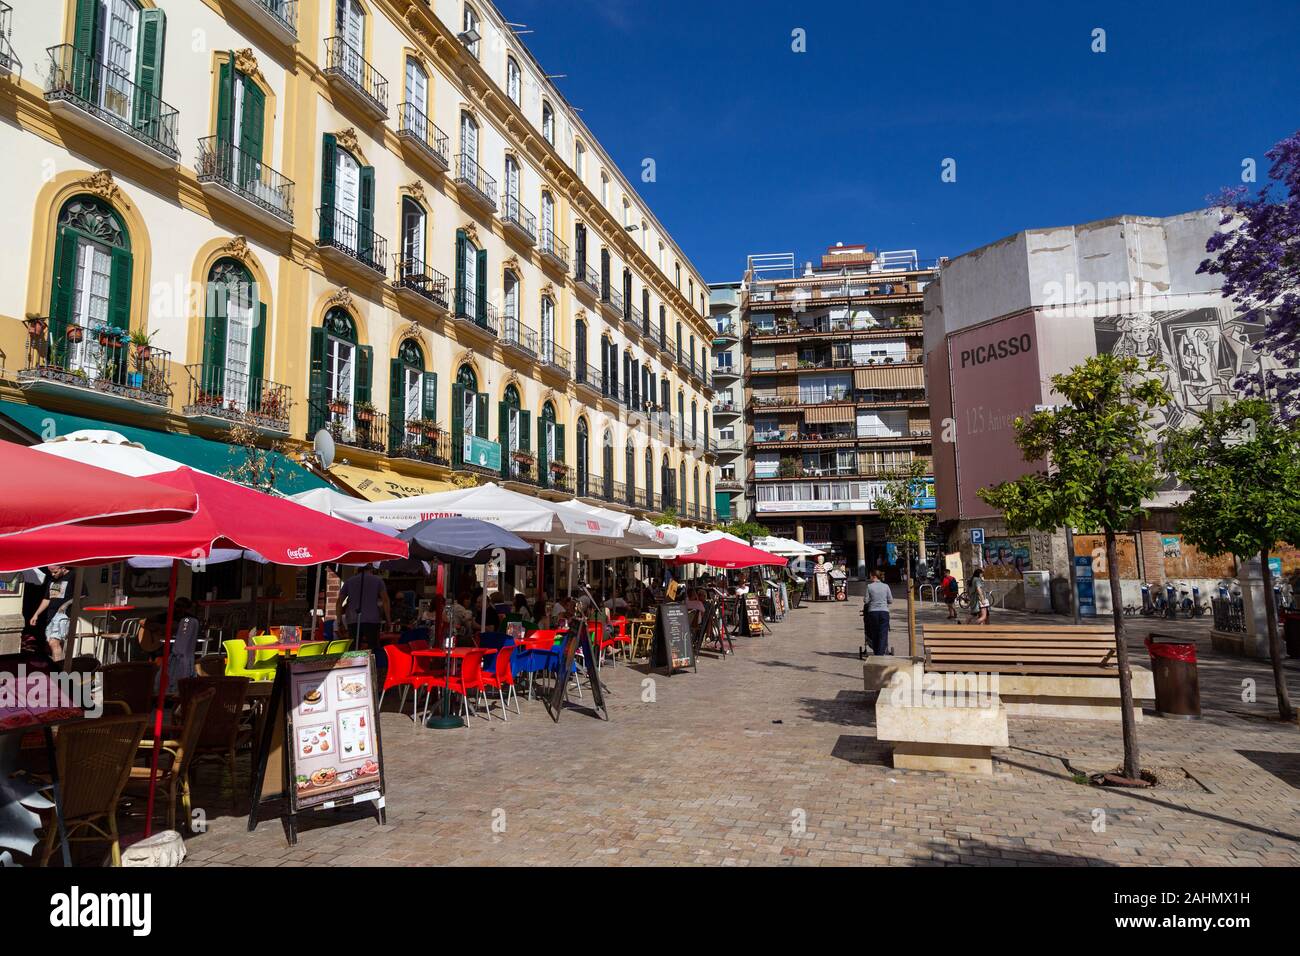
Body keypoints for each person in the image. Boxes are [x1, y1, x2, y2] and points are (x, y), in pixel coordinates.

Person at [335, 567, 392, 653]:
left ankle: (354, 665)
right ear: (371, 568)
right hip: (372, 619)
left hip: (353, 619)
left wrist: (339, 622)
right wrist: (388, 620)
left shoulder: (349, 581)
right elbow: (385, 600)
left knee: (354, 648)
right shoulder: (378, 581)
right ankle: (373, 665)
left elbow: (339, 602)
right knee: (373, 648)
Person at [863, 569, 893, 656]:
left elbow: (866, 600)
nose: (870, 578)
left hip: (873, 612)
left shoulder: (869, 587)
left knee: (874, 633)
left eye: (870, 576)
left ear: (874, 577)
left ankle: (876, 653)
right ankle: (881, 653)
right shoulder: (886, 586)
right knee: (883, 633)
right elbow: (890, 600)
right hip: (884, 612)